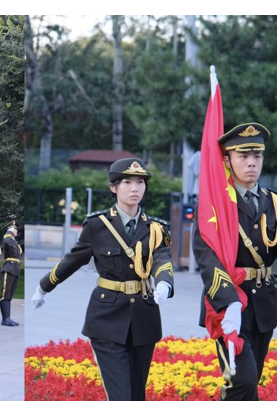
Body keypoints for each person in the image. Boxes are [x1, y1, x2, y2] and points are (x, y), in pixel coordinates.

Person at [31, 158, 175, 401]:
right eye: (127, 182)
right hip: (106, 318)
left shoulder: (156, 228)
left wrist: (164, 282)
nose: (134, 188)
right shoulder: (98, 225)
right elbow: (73, 260)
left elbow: (162, 257)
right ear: (113, 187)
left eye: (140, 182)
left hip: (144, 316)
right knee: (120, 398)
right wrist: (44, 286)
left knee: (136, 396)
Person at [192, 123, 277, 401]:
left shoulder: (275, 202)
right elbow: (207, 257)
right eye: (243, 156)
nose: (251, 163)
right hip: (228, 300)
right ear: (227, 161)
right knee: (242, 380)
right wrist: (228, 301)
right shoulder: (215, 204)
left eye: (257, 156)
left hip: (264, 301)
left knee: (251, 379)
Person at [0, 219, 22, 327]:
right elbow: (6, 242)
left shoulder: (14, 241)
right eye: (15, 229)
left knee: (9, 295)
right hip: (8, 269)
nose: (17, 230)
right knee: (5, 294)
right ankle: (5, 319)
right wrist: (9, 232)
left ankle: (8, 317)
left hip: (15, 269)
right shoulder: (7, 239)